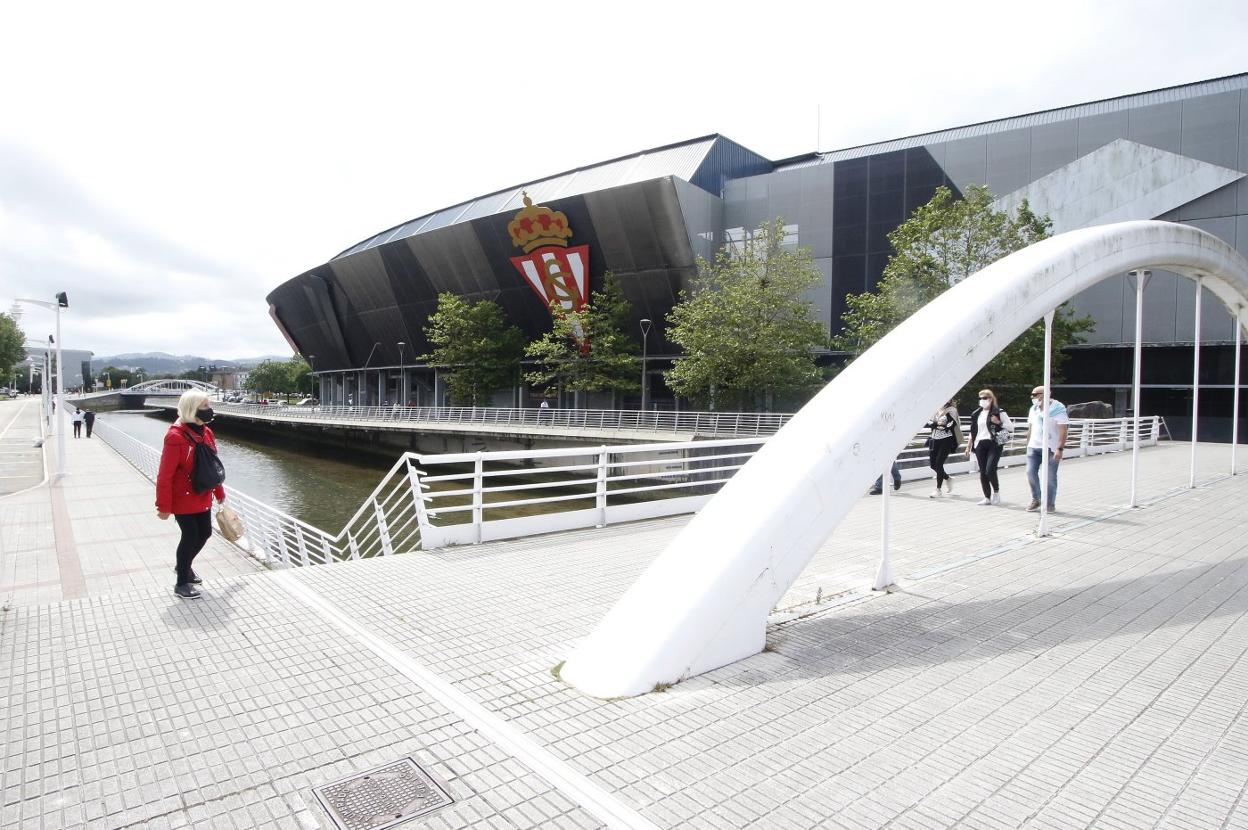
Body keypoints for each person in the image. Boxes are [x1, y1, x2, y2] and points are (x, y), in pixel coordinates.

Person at [155, 390, 226, 599]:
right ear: (192, 409)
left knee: (205, 533)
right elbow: (164, 475)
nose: (209, 410)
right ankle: (181, 583)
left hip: (202, 493)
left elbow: (211, 467)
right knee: (190, 535)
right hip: (183, 496)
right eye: (205, 407)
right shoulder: (175, 437)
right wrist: (164, 506)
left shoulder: (206, 432)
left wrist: (219, 492)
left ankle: (183, 566)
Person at [1025, 386, 1069, 512]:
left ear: (1044, 395)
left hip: (1051, 447)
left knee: (1050, 476)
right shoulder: (1033, 409)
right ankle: (1036, 499)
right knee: (1030, 472)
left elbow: (1063, 430)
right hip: (1034, 446)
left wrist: (1060, 448)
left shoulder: (1058, 409)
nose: (1032, 397)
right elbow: (1030, 428)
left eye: (1034, 394)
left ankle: (1050, 503)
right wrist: (1027, 445)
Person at [965, 389, 1013, 505]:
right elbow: (973, 430)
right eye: (980, 398)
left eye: (985, 398)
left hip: (994, 443)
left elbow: (1010, 427)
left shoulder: (999, 412)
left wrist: (998, 423)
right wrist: (968, 445)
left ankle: (996, 492)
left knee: (990, 469)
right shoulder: (976, 413)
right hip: (980, 443)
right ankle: (986, 497)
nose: (982, 400)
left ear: (991, 399)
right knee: (982, 472)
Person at [925, 400, 962, 498]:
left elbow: (950, 425)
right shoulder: (935, 409)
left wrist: (936, 424)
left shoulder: (952, 410)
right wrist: (938, 425)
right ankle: (948, 478)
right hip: (934, 439)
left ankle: (938, 489)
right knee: (933, 465)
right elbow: (927, 422)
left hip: (946, 440)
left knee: (938, 464)